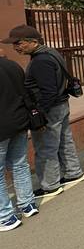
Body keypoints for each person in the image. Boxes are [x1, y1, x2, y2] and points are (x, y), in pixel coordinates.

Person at [3, 25, 84, 198]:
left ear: (33, 41)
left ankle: (50, 185)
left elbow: (48, 91)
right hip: (61, 104)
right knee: (64, 141)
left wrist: (40, 115)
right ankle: (73, 172)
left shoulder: (41, 61)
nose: (16, 47)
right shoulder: (50, 53)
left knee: (46, 147)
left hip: (51, 108)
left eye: (19, 43)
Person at [0, 51, 38, 232]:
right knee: (19, 164)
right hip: (19, 121)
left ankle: (6, 216)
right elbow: (25, 93)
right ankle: (28, 204)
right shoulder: (13, 66)